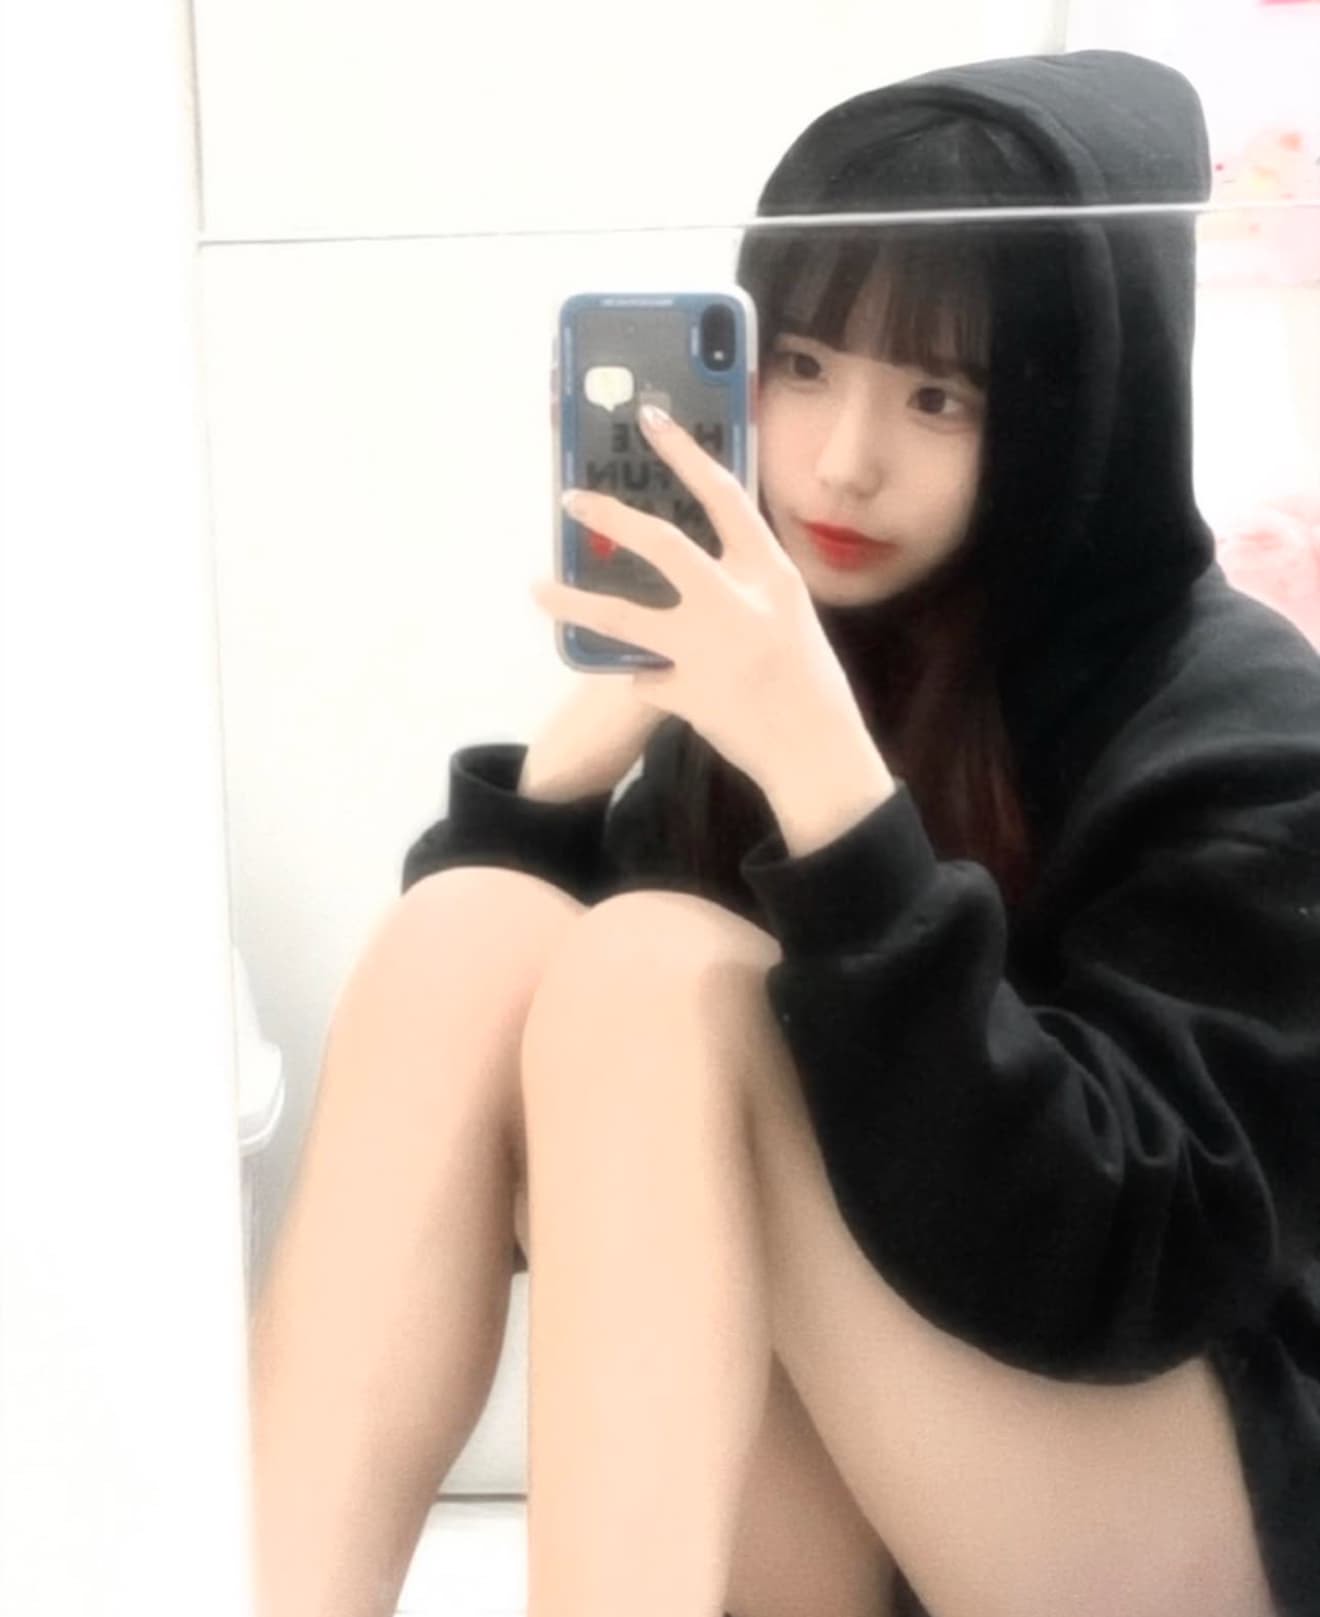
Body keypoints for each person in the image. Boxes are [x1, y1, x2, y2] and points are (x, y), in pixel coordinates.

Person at [249, 49, 1320, 1617]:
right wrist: (569, 778)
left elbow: (1123, 1262)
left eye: (939, 395)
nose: (841, 459)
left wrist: (838, 802)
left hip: (1165, 1508)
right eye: (803, 364)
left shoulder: (1247, 724)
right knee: (473, 933)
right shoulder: (798, 656)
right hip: (873, 1501)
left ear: (1078, 407)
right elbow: (559, 1121)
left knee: (664, 974)